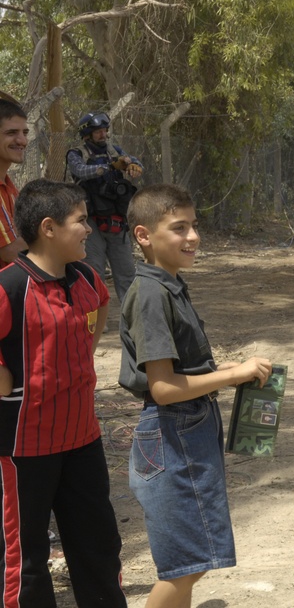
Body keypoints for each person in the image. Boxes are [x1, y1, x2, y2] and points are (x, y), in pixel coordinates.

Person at [119, 183, 272, 608]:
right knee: (188, 562)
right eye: (179, 227)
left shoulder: (169, 284)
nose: (193, 237)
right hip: (173, 434)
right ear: (144, 236)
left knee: (195, 557)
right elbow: (164, 388)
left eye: (195, 226)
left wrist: (231, 375)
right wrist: (230, 374)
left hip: (188, 428)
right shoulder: (151, 294)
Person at [0, 178, 127, 607]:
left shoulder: (88, 277)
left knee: (99, 547)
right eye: (80, 220)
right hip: (23, 449)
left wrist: (79, 358)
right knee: (25, 561)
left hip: (83, 440)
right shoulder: (9, 287)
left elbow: (102, 304)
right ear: (49, 228)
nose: (89, 229)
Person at [66, 110, 143, 302]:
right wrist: (109, 167)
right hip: (90, 224)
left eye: (105, 130)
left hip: (117, 221)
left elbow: (132, 161)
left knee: (126, 273)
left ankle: (133, 320)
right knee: (93, 273)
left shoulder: (114, 151)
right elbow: (81, 171)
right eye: (98, 131)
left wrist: (133, 164)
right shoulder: (77, 153)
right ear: (87, 134)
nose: (103, 134)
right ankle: (95, 318)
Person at [0, 99, 30, 267]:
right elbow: (11, 251)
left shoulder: (10, 188)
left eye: (24, 133)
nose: (22, 141)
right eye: (11, 133)